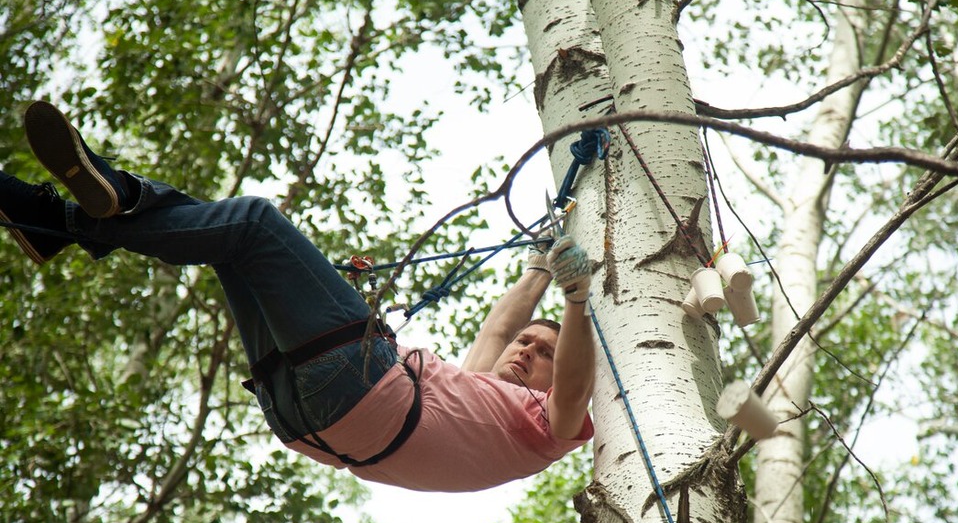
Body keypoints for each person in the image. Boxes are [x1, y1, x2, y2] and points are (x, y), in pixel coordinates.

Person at [2, 100, 595, 492]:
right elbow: (497, 330)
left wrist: (575, 300)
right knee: (224, 236)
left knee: (255, 221)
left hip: (364, 389)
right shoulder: (487, 395)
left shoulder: (545, 426)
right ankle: (80, 211)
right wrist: (541, 266)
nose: (525, 350)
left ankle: (68, 218)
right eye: (529, 341)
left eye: (543, 352)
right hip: (305, 417)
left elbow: (573, 386)